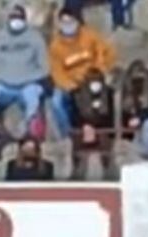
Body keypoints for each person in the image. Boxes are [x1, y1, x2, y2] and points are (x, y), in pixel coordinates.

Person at [48, 8, 116, 142]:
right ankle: (67, 135)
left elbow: (107, 52)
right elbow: (56, 71)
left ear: (78, 22)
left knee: (109, 93)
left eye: (71, 21)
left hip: (93, 80)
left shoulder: (90, 36)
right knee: (56, 101)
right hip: (72, 84)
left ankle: (108, 132)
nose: (68, 25)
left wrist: (99, 70)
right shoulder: (55, 46)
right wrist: (71, 86)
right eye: (64, 22)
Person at [0, 4, 49, 138]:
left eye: (19, 17)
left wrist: (29, 78)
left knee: (33, 96)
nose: (16, 20)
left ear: (25, 19)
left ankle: (32, 131)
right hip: (2, 85)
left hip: (28, 85)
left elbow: (45, 68)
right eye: (13, 17)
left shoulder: (36, 37)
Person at [69, 67, 118, 180]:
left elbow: (110, 115)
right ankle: (77, 171)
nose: (95, 83)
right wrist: (86, 126)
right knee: (77, 138)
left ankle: (108, 172)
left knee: (105, 137)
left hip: (102, 126)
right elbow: (74, 116)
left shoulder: (108, 92)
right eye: (92, 80)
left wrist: (97, 129)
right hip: (82, 127)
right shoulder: (76, 93)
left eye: (98, 80)